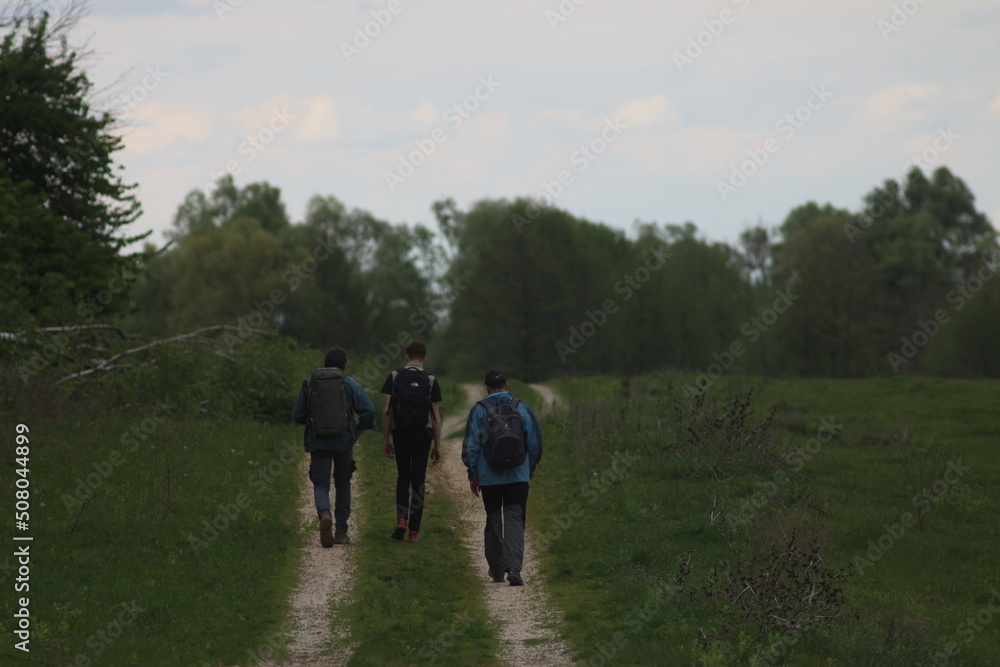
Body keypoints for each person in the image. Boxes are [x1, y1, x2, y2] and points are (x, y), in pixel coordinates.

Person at [461, 370, 542, 586]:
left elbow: (472, 446)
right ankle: (514, 568)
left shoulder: (479, 410)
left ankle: (497, 570)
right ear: (506, 385)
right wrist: (529, 468)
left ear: (486, 387)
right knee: (515, 519)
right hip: (518, 475)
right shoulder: (522, 407)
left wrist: (473, 474)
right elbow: (534, 443)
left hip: (490, 478)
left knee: (494, 520)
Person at [293, 347, 375, 547]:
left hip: (318, 440)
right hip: (343, 441)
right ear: (344, 365)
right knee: (343, 482)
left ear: (324, 363)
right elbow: (369, 410)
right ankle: (340, 531)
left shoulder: (310, 383)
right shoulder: (349, 383)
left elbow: (297, 415)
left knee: (321, 484)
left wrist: (313, 422)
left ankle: (324, 514)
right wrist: (358, 432)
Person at [381, 340, 442, 543]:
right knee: (418, 480)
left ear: (407, 357)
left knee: (403, 477)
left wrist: (386, 439)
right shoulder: (431, 380)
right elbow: (435, 416)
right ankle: (414, 532)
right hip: (422, 434)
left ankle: (401, 519)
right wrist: (438, 445)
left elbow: (386, 410)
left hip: (401, 433)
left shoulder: (395, 376)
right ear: (424, 358)